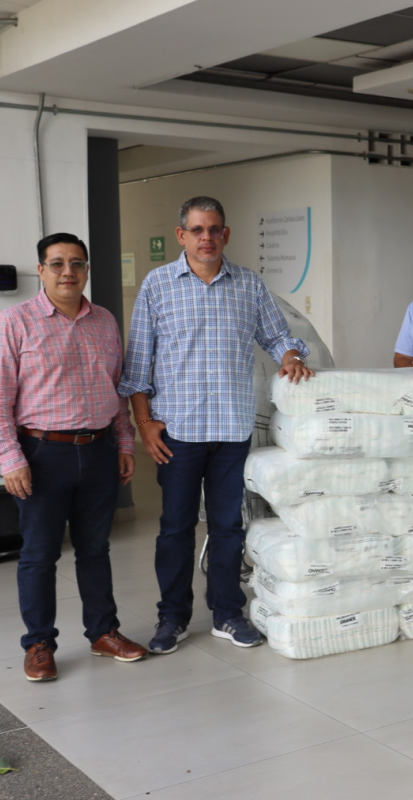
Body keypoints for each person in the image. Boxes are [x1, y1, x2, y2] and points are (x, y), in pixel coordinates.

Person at [120, 196, 314, 654]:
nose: (207, 238)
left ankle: (228, 613)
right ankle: (173, 618)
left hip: (231, 429)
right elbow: (137, 367)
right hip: (178, 433)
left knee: (228, 526)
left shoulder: (248, 285)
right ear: (181, 235)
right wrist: (144, 423)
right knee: (175, 529)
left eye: (215, 229)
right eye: (197, 230)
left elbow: (279, 336)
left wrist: (290, 355)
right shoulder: (158, 285)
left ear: (226, 235)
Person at [0, 234, 147, 681]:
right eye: (57, 263)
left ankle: (103, 632)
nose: (68, 272)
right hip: (41, 454)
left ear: (87, 270)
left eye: (77, 263)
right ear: (40, 270)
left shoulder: (104, 322)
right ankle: (39, 643)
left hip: (97, 452)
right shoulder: (12, 323)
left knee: (95, 549)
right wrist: (10, 458)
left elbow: (117, 392)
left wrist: (122, 444)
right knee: (39, 555)